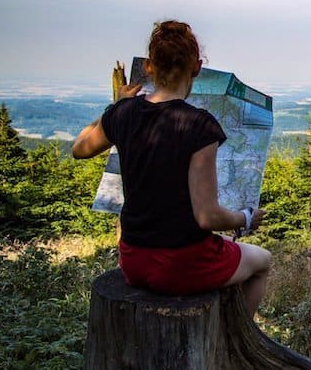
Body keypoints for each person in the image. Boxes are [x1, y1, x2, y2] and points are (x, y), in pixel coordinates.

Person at [72, 20, 271, 316]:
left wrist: (115, 106)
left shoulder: (123, 113)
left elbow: (80, 149)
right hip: (181, 265)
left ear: (149, 66)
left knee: (225, 245)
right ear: (197, 67)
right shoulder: (199, 124)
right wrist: (245, 218)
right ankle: (237, 347)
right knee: (262, 260)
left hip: (133, 260)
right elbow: (206, 217)